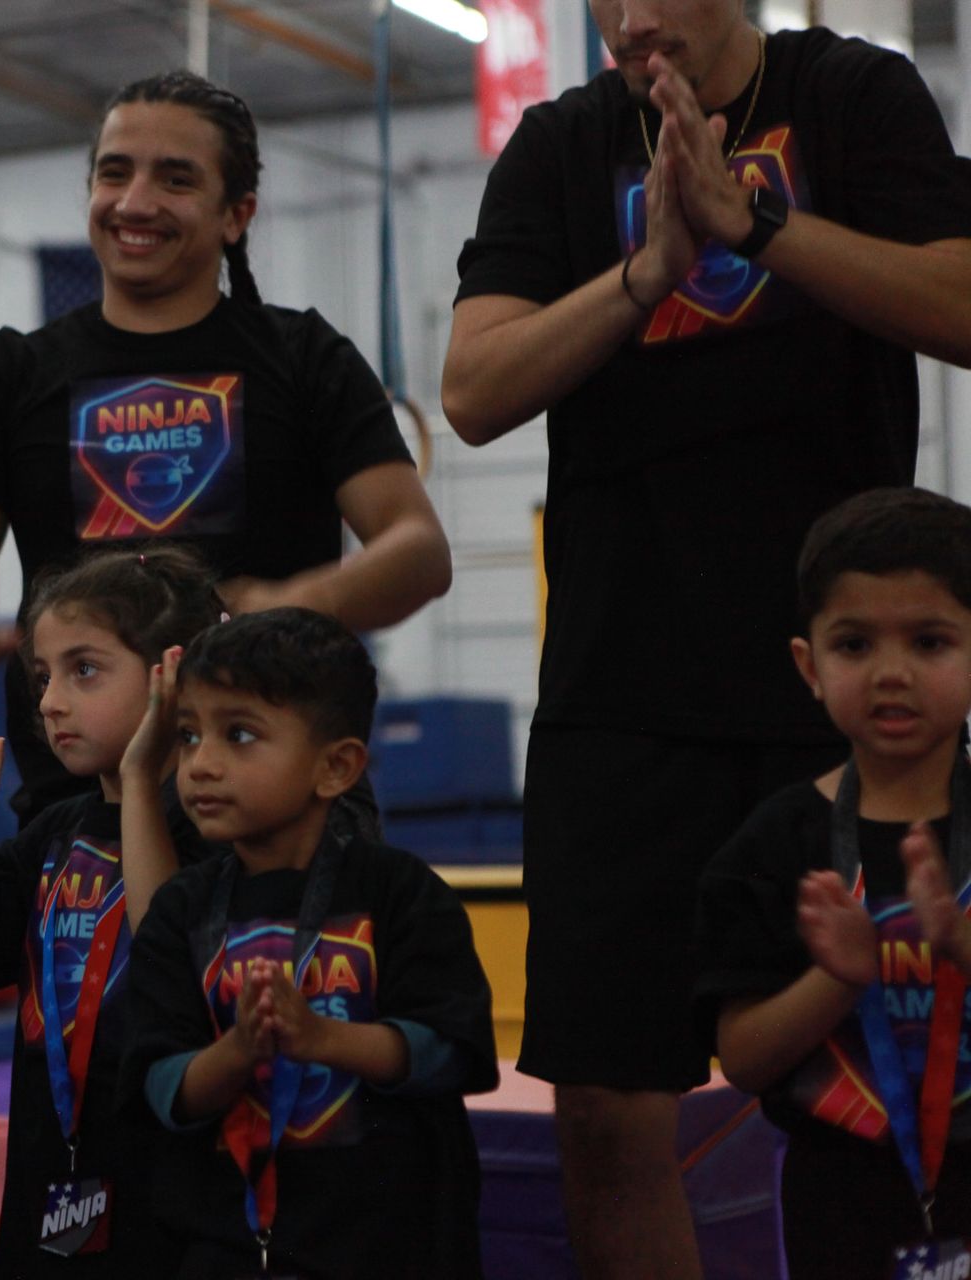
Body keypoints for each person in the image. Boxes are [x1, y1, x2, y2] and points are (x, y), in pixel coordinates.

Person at [441, 0, 971, 1267]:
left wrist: (758, 224)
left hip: (844, 690)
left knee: (903, 1063)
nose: (627, 22)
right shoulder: (561, 148)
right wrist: (645, 272)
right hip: (620, 689)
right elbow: (470, 391)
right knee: (607, 1107)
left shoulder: (855, 96)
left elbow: (960, 303)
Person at [0, 68, 450, 828]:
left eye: (176, 179)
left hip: (276, 803)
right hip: (80, 805)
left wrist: (290, 603)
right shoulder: (14, 374)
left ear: (236, 215)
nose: (134, 203)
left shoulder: (303, 358)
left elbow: (418, 549)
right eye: (114, 172)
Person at [125, 608, 498, 1279]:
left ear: (336, 767)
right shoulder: (180, 911)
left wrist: (323, 1039)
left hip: (390, 1243)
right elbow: (160, 1087)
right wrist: (237, 1052)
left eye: (239, 735)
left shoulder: (400, 893)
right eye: (187, 736)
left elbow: (450, 1050)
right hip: (229, 1245)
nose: (201, 764)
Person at [0, 543, 225, 1277]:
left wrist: (141, 784)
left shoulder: (218, 833)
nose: (50, 701)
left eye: (83, 670)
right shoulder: (52, 834)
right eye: (42, 676)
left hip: (170, 1179)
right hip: (51, 1174)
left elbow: (166, 966)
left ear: (170, 678)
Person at [696, 488, 971, 1279]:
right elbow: (743, 1061)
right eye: (855, 645)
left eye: (928, 641)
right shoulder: (771, 847)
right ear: (808, 667)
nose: (892, 674)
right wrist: (836, 980)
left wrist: (958, 943)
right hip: (837, 1191)